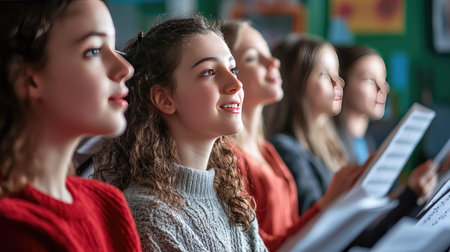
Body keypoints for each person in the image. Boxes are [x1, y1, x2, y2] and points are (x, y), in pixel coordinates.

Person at [93, 16, 267, 251]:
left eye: (232, 68)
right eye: (209, 72)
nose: (235, 83)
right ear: (164, 98)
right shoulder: (148, 216)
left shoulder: (232, 203)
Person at [0, 1, 141, 251]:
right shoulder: (13, 228)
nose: (125, 68)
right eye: (94, 51)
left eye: (114, 47)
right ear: (29, 78)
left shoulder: (108, 204)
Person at [221, 21, 369, 251]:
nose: (273, 62)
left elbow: (294, 227)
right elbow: (254, 243)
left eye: (269, 54)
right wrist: (328, 203)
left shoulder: (268, 152)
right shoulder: (228, 159)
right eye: (252, 58)